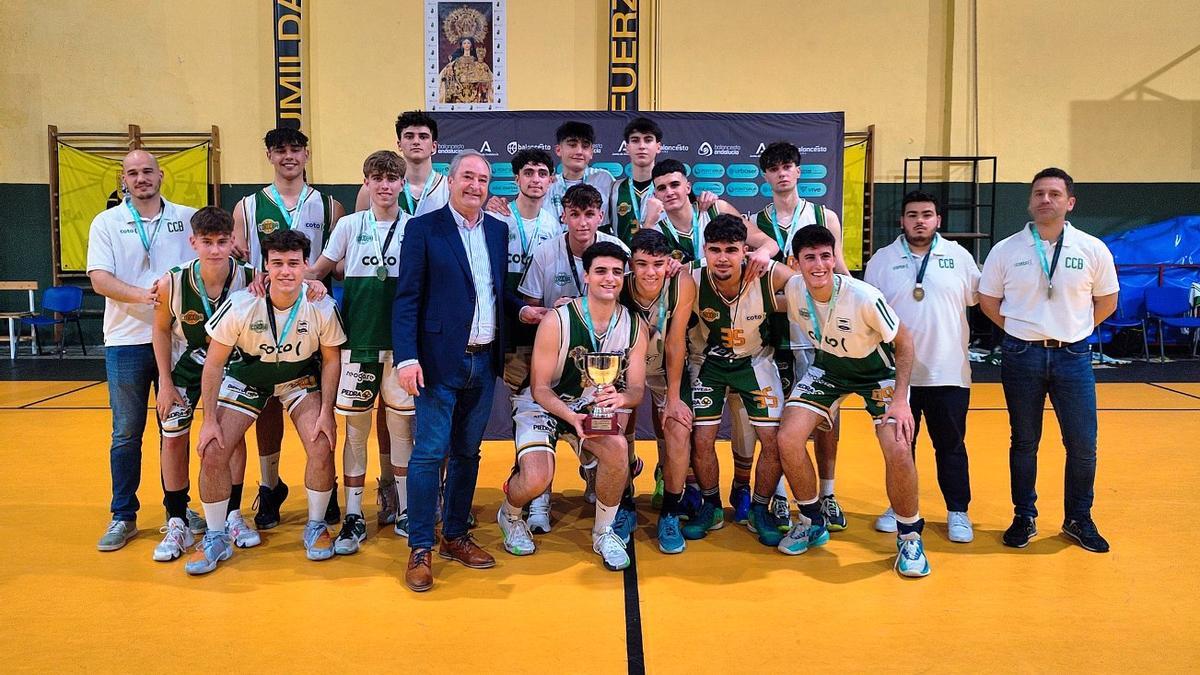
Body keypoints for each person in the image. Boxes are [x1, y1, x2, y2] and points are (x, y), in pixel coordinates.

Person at [189, 229, 347, 574]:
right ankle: (215, 536)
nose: (286, 271)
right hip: (249, 378)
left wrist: (326, 413)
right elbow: (214, 363)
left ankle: (316, 526)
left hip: (297, 379)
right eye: (277, 264)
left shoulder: (321, 305)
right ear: (266, 267)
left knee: (321, 443)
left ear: (307, 265)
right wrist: (209, 420)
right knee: (213, 449)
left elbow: (332, 360)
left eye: (294, 263)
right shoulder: (243, 303)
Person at [775, 225, 929, 578]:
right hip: (829, 369)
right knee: (788, 437)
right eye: (809, 257)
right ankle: (813, 520)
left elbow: (904, 343)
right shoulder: (794, 288)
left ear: (834, 258)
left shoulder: (864, 297)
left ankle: (909, 535)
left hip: (878, 373)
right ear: (796, 263)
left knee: (899, 446)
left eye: (825, 256)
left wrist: (902, 400)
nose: (818, 265)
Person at [978, 167, 1118, 553]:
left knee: (1083, 444)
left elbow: (1108, 300)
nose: (1045, 199)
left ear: (1069, 203)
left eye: (1055, 194)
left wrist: (1075, 328)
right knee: (1024, 442)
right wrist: (1021, 328)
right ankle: (1024, 516)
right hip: (1021, 354)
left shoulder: (1092, 249)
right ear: (1030, 201)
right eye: (1039, 193)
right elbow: (988, 301)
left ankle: (1078, 518)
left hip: (1073, 355)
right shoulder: (1006, 250)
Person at [393, 150, 512, 592]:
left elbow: (498, 295)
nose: (475, 186)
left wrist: (534, 312)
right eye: (467, 177)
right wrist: (407, 358)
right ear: (450, 179)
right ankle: (420, 545)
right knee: (429, 453)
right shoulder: (423, 228)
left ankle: (455, 535)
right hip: (438, 362)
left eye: (482, 179)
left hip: (484, 360)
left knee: (467, 453)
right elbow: (406, 299)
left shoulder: (498, 232)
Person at [498, 242, 648, 571]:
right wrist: (571, 417)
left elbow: (636, 388)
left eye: (615, 272)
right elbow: (538, 387)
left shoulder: (635, 326)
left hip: (587, 407)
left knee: (618, 449)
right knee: (538, 478)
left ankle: (604, 531)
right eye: (601, 271)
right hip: (545, 405)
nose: (609, 278)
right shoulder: (557, 320)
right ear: (586, 276)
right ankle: (510, 515)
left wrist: (621, 399)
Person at [232, 127, 346, 532]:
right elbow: (242, 264)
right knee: (266, 403)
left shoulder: (330, 207)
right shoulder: (246, 206)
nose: (288, 157)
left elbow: (337, 260)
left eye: (295, 150)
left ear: (307, 154)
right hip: (265, 316)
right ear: (269, 156)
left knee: (318, 407)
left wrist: (317, 276)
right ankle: (269, 483)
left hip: (312, 317)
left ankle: (326, 486)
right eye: (280, 150)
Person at [88, 149, 201, 551]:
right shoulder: (108, 222)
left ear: (161, 175)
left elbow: (204, 267)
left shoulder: (187, 217)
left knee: (176, 430)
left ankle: (179, 508)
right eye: (133, 173)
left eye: (147, 171)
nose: (141, 179)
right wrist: (149, 296)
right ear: (124, 180)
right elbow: (100, 279)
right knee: (126, 432)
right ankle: (123, 515)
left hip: (178, 344)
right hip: (125, 341)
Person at [308, 151, 415, 553]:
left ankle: (405, 509)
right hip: (357, 344)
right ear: (366, 183)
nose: (385, 185)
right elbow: (318, 269)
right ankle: (354, 514)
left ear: (402, 184)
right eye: (377, 178)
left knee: (402, 429)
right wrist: (271, 277)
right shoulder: (349, 226)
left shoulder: (415, 227)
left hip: (403, 347)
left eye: (392, 178)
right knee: (356, 431)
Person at [864, 191, 980, 543]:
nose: (919, 220)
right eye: (912, 214)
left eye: (926, 214)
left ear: (938, 220)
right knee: (900, 447)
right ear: (902, 220)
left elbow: (978, 299)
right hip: (897, 376)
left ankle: (958, 512)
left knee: (951, 445)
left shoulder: (959, 257)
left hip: (948, 372)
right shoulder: (882, 260)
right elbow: (867, 316)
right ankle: (900, 507)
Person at [516, 183, 629, 533]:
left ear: (600, 216)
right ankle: (539, 499)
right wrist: (555, 314)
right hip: (556, 360)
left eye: (590, 214)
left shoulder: (618, 252)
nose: (582, 222)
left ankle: (600, 478)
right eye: (575, 214)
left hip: (603, 366)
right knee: (541, 430)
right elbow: (529, 308)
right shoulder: (547, 252)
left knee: (617, 430)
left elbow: (632, 303)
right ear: (563, 215)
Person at [752, 141, 848, 531]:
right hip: (773, 333)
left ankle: (827, 494)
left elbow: (840, 270)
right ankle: (776, 494)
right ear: (765, 176)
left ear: (798, 170)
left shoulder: (826, 215)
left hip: (817, 334)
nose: (781, 173)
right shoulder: (755, 223)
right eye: (773, 168)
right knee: (774, 420)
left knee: (828, 420)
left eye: (787, 166)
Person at [151, 207, 257, 561]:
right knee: (174, 437)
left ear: (233, 241)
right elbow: (161, 330)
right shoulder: (172, 282)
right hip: (186, 364)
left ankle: (231, 514)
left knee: (231, 435)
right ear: (192, 242)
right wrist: (164, 382)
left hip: (233, 363)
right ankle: (178, 519)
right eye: (207, 242)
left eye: (222, 242)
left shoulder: (250, 277)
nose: (215, 250)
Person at [683, 215, 795, 543]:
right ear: (704, 250)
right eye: (714, 250)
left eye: (731, 250)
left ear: (744, 251)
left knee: (772, 440)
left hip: (755, 361)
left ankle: (760, 507)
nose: (722, 258)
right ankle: (711, 505)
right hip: (708, 364)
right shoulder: (691, 276)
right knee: (701, 439)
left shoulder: (766, 272)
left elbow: (809, 287)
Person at [619, 230, 696, 554]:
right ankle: (624, 503)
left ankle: (670, 511)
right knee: (616, 432)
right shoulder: (617, 285)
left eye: (658, 264)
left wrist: (674, 398)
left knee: (678, 429)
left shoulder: (681, 284)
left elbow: (677, 342)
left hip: (667, 365)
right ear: (631, 265)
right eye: (642, 264)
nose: (650, 272)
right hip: (626, 366)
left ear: (670, 264)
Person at [489, 148, 559, 394]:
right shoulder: (496, 217)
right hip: (501, 315)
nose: (535, 179)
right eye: (528, 172)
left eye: (542, 173)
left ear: (551, 181)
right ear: (516, 179)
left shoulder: (554, 224)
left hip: (538, 314)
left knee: (533, 390)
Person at [355, 111, 449, 218]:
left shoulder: (449, 189)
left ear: (434, 146)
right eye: (409, 137)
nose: (416, 142)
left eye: (423, 137)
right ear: (399, 144)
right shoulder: (370, 190)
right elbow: (359, 229)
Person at [608, 116, 665, 243]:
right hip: (623, 260)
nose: (641, 146)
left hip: (658, 260)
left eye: (648, 140)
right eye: (635, 140)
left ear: (658, 147)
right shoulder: (614, 188)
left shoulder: (670, 189)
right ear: (627, 147)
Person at [437, 36, 493, 104]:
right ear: (462, 45)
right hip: (460, 90)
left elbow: (483, 75)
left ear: (471, 45)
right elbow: (450, 73)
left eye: (468, 43)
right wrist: (449, 70)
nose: (466, 45)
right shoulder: (457, 61)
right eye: (464, 43)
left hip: (474, 90)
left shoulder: (476, 61)